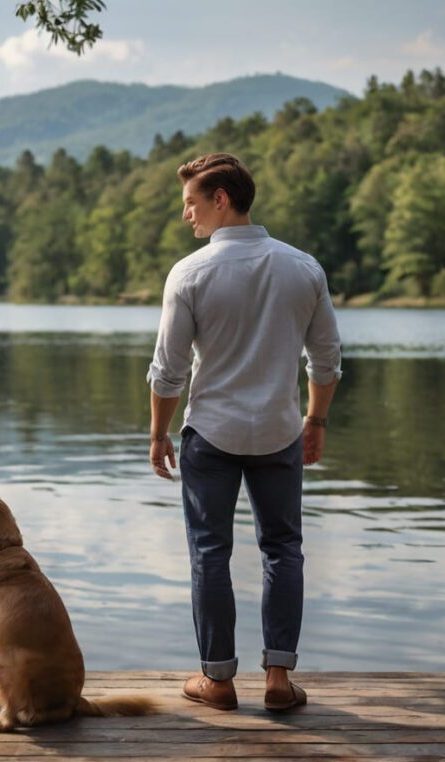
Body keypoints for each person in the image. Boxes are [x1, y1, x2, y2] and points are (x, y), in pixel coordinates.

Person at [146, 152, 342, 711]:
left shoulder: (190, 273)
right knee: (284, 550)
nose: (188, 216)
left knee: (210, 552)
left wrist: (159, 434)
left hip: (210, 433)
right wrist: (315, 419)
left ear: (220, 200)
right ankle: (279, 680)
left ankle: (219, 680)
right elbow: (326, 360)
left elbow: (168, 370)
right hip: (280, 432)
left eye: (191, 204)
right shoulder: (303, 268)